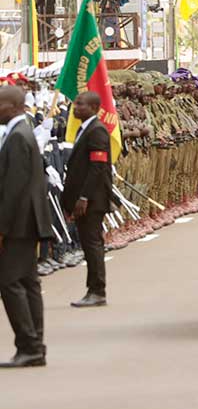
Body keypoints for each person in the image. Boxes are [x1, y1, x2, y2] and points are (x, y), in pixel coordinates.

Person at [0, 86, 50, 368]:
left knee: (9, 282)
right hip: (26, 220)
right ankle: (34, 346)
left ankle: (29, 345)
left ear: (13, 106)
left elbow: (14, 189)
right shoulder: (19, 133)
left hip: (18, 222)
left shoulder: (19, 136)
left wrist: (2, 228)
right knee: (28, 282)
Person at [60, 91, 114, 308]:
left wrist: (83, 197)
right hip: (85, 199)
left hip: (92, 200)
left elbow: (97, 168)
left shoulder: (97, 130)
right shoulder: (86, 129)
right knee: (91, 244)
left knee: (92, 245)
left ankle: (97, 290)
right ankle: (93, 289)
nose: (75, 107)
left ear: (93, 108)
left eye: (80, 104)